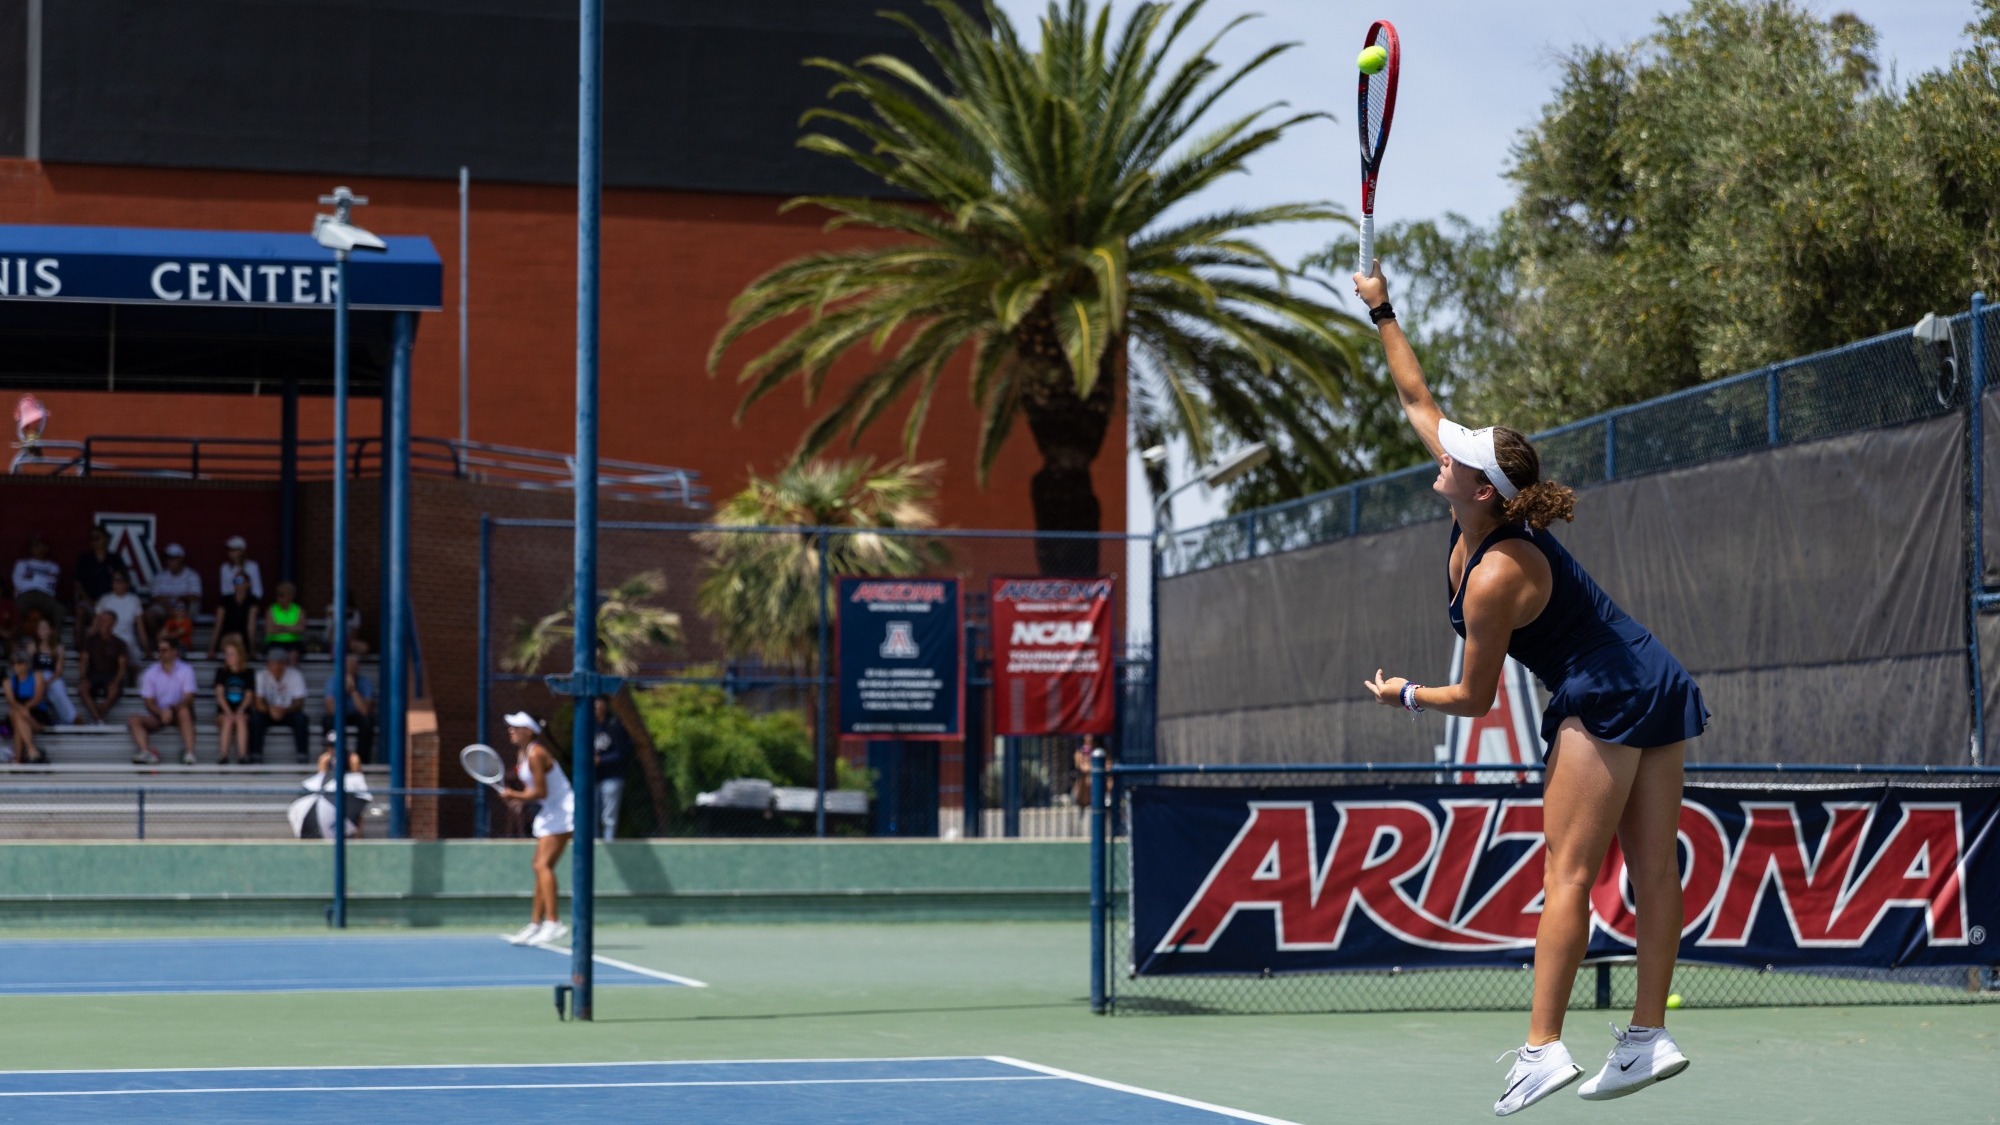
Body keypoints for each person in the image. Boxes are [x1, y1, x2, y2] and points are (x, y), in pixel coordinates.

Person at [1353, 262, 1706, 1116]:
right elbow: (1415, 397)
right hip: (1655, 672)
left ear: (1483, 491)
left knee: (1569, 872)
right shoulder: (1479, 500)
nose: (1443, 453)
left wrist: (1406, 695)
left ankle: (1544, 1049)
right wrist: (1383, 310)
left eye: (1460, 457)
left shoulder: (1494, 576)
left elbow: (1475, 699)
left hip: (1607, 691)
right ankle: (1649, 1034)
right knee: (1654, 868)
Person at [498, 712, 573, 946]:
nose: (510, 730)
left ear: (528, 731)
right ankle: (535, 924)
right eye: (510, 726)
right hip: (550, 811)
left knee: (543, 865)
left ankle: (553, 922)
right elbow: (535, 792)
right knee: (538, 865)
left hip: (563, 811)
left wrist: (515, 795)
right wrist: (520, 799)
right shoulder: (523, 754)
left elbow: (541, 792)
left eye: (516, 727)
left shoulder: (536, 753)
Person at [129, 636, 200, 765]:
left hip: (178, 713)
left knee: (184, 711)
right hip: (159, 714)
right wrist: (161, 712)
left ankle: (189, 753)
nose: (160, 653)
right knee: (133, 719)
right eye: (159, 650)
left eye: (164, 650)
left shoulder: (186, 670)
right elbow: (148, 702)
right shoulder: (150, 673)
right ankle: (145, 752)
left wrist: (171, 710)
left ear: (174, 652)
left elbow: (188, 698)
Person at [251, 646, 311, 764]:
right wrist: (270, 710)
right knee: (256, 719)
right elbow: (258, 702)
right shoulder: (261, 676)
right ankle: (256, 754)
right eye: (272, 663)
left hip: (288, 711)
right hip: (268, 712)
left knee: (301, 719)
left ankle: (302, 754)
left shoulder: (295, 675)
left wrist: (285, 710)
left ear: (284, 664)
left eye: (278, 663)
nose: (274, 667)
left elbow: (299, 702)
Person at [71, 525, 128, 647]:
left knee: (101, 617)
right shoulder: (85, 559)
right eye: (92, 539)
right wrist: (89, 601)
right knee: (80, 611)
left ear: (106, 539)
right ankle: (79, 646)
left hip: (110, 601)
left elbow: (122, 580)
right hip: (89, 600)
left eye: (97, 538)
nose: (94, 541)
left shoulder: (115, 559)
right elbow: (78, 583)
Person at [321, 641, 375, 764]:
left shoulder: (365, 682)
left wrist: (353, 690)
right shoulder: (333, 681)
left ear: (357, 668)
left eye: (353, 665)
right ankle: (333, 757)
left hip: (356, 715)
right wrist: (342, 690)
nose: (350, 669)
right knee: (328, 720)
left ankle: (361, 760)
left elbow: (364, 711)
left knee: (367, 721)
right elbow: (331, 709)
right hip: (339, 713)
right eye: (347, 665)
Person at [77, 611, 128, 725]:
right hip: (93, 675)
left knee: (114, 690)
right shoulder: (90, 640)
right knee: (82, 688)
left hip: (111, 676)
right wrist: (83, 677)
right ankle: (98, 719)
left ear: (113, 623)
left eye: (106, 620)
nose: (102, 622)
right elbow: (83, 661)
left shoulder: (120, 643)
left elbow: (122, 667)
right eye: (101, 620)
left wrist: (116, 681)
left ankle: (97, 716)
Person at [591, 697, 631, 841]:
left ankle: (609, 843)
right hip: (594, 777)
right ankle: (594, 846)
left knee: (609, 818)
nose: (595, 706)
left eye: (598, 702)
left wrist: (600, 760)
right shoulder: (589, 726)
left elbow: (621, 753)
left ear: (605, 705)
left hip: (612, 776)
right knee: (591, 816)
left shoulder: (614, 725)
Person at [11, 535, 63, 641]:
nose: (34, 548)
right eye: (33, 545)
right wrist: (41, 580)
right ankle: (14, 641)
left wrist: (31, 579)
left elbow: (51, 586)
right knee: (15, 610)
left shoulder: (53, 566)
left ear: (46, 548)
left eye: (38, 545)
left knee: (59, 609)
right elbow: (18, 582)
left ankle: (55, 639)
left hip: (45, 595)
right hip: (25, 594)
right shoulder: (22, 564)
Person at [213, 638, 255, 765]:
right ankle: (223, 756)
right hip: (224, 711)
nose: (228, 657)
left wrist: (240, 710)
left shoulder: (248, 673)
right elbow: (220, 695)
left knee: (240, 719)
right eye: (226, 654)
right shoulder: (221, 672)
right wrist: (228, 711)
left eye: (231, 654)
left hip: (242, 710)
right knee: (228, 719)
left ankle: (242, 755)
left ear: (239, 656)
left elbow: (248, 696)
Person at [6, 647, 53, 764]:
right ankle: (31, 749)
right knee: (17, 715)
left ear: (27, 664)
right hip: (20, 712)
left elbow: (37, 698)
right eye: (13, 663)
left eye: (19, 663)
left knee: (17, 719)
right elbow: (11, 701)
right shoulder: (9, 681)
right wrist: (23, 711)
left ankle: (17, 760)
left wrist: (25, 709)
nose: (16, 666)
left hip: (36, 711)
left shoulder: (37, 676)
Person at [145, 544, 202, 638]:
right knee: (149, 614)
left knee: (186, 610)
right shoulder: (160, 576)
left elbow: (196, 596)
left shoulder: (192, 575)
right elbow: (154, 597)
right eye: (168, 558)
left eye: (173, 558)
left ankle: (181, 640)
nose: (169, 561)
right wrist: (164, 602)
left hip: (184, 607)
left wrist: (179, 600)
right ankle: (159, 639)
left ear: (181, 559)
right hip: (165, 606)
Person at [28, 618, 77, 726]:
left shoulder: (58, 647)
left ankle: (71, 719)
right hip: (36, 676)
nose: (41, 631)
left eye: (44, 628)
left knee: (57, 688)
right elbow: (28, 667)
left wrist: (48, 682)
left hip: (52, 676)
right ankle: (70, 718)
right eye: (39, 628)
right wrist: (40, 681)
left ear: (50, 630)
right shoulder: (33, 646)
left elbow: (59, 670)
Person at [96, 570, 147, 667]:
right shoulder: (104, 599)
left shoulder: (134, 600)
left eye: (120, 581)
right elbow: (96, 625)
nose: (117, 584)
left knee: (134, 663)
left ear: (127, 583)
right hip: (108, 641)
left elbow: (141, 629)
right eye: (115, 581)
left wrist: (146, 648)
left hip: (128, 641)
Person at [208, 572, 260, 659]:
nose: (237, 584)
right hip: (226, 636)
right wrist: (212, 649)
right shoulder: (225, 601)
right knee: (235, 638)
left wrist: (252, 649)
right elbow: (218, 625)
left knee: (238, 638)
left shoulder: (252, 601)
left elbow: (251, 626)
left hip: (244, 638)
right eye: (235, 581)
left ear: (248, 584)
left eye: (240, 581)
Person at [263, 582, 305, 659]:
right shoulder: (272, 609)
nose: (279, 598)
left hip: (294, 642)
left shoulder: (298, 610)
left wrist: (282, 627)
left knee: (293, 655)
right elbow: (269, 629)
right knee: (276, 655)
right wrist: (292, 628)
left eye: (282, 595)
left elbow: (301, 629)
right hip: (275, 642)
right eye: (278, 595)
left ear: (290, 596)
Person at [219, 535, 264, 601]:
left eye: (233, 550)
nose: (230, 552)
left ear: (242, 551)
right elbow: (225, 591)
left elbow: (257, 591)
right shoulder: (224, 568)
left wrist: (251, 603)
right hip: (230, 603)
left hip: (250, 602)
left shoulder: (253, 566)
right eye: (229, 550)